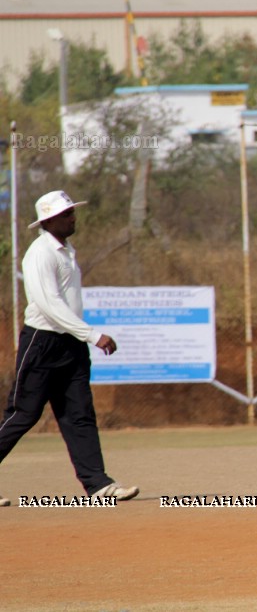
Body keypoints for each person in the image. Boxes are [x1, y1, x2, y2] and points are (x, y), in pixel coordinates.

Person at [0, 190, 138, 506]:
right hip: (42, 343)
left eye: (72, 211)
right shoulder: (40, 253)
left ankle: (98, 485)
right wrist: (92, 334)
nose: (73, 217)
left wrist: (81, 336)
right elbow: (49, 305)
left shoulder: (66, 250)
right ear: (49, 220)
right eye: (67, 214)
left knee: (79, 415)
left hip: (70, 346)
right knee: (23, 414)